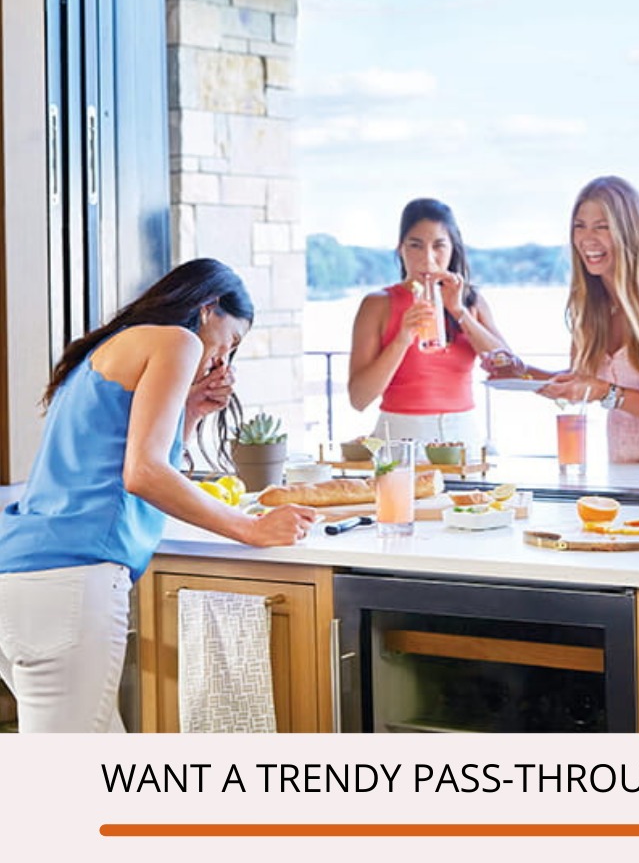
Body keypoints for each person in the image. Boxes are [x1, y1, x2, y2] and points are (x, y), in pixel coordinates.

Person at [0, 258, 318, 733]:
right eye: (229, 343)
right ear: (208, 308)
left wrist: (190, 411)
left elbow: (128, 458)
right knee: (62, 785)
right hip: (70, 582)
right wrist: (250, 527)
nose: (222, 361)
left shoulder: (109, 348)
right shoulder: (179, 340)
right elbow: (144, 473)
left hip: (22, 576)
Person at [487, 175, 639, 464]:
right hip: (627, 474)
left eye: (602, 227)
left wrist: (608, 393)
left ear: (630, 233)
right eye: (579, 227)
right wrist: (520, 374)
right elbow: (579, 384)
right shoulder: (593, 305)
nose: (587, 239)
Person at [348, 197, 508, 447]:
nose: (428, 258)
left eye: (439, 246)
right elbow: (359, 399)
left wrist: (458, 311)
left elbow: (507, 367)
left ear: (453, 248)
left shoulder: (471, 301)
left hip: (462, 438)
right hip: (399, 437)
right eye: (416, 245)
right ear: (401, 249)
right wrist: (402, 338)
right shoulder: (378, 304)